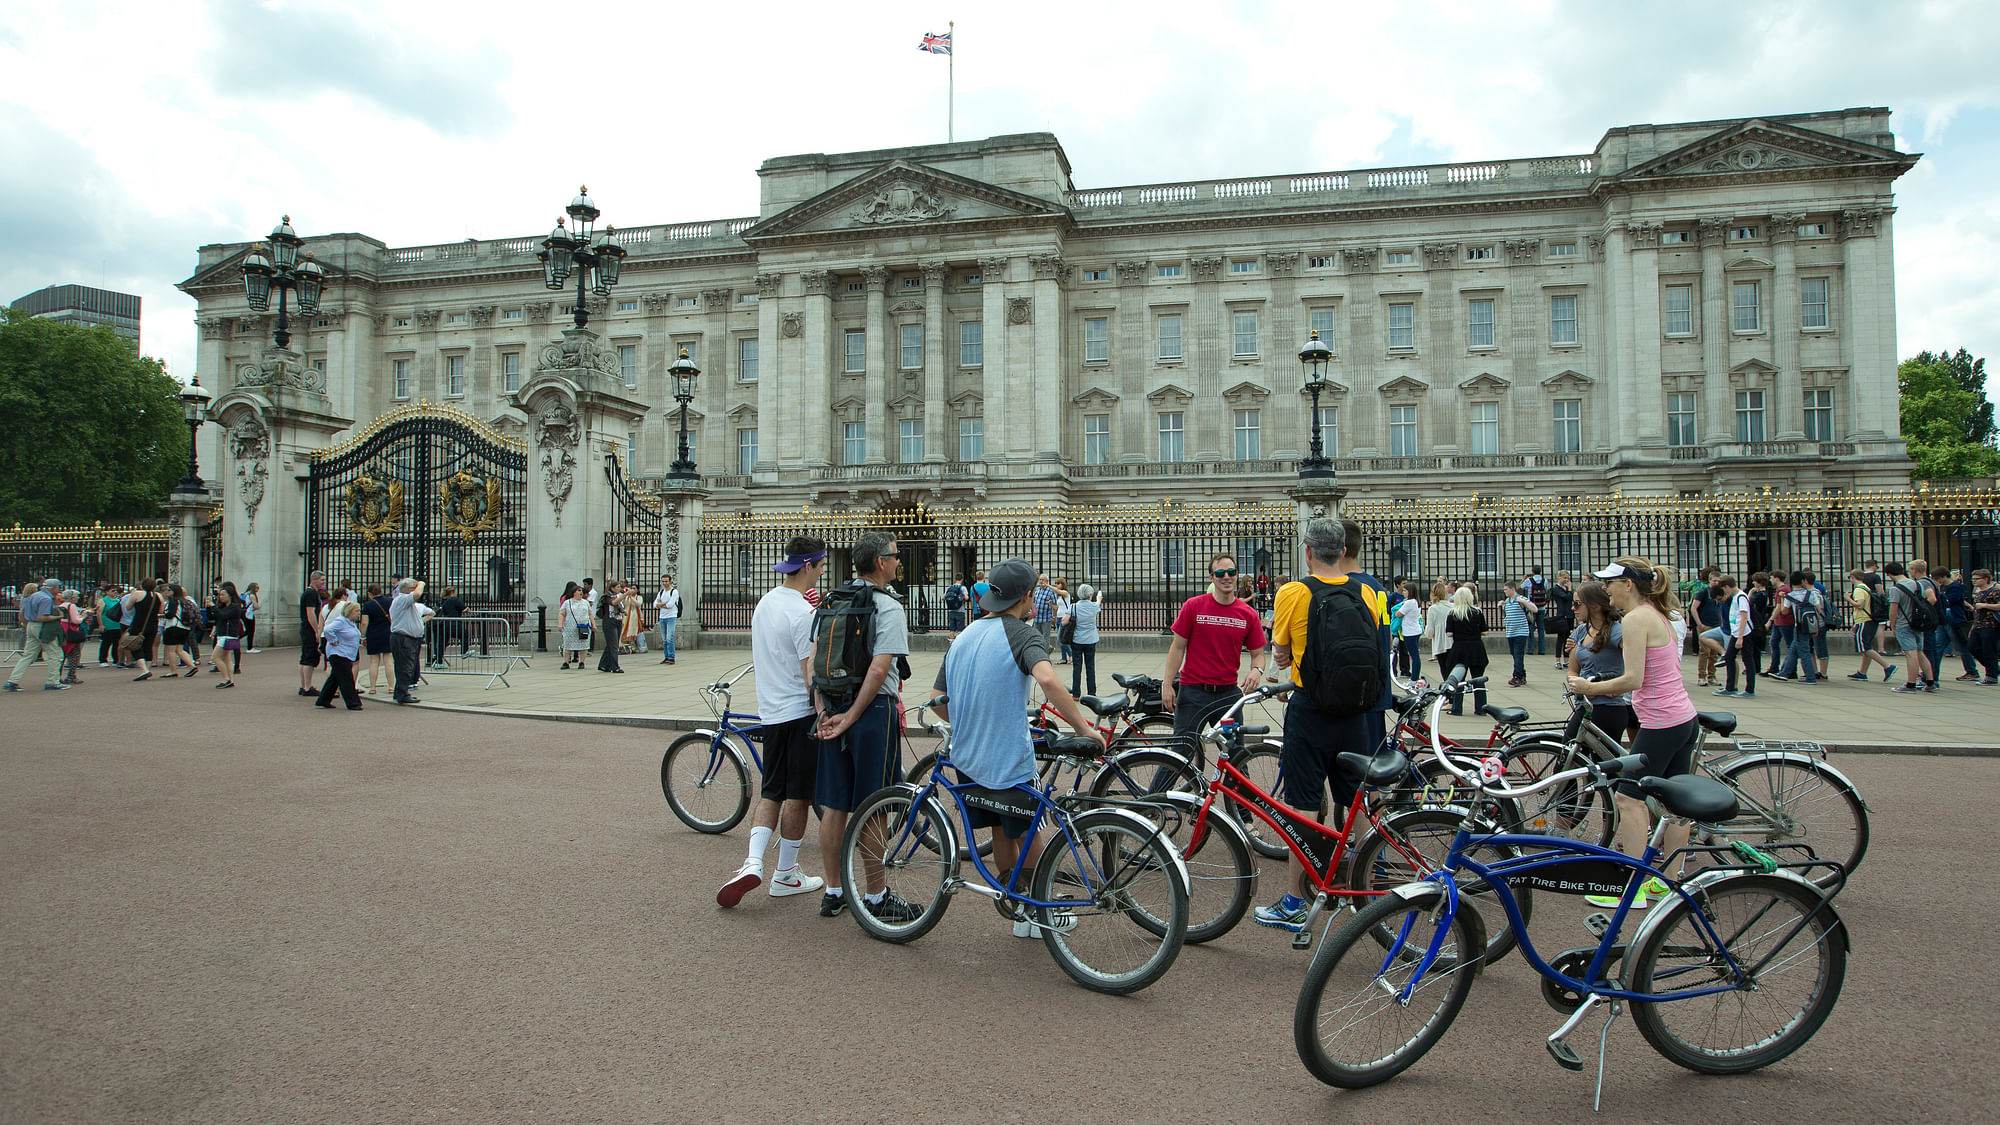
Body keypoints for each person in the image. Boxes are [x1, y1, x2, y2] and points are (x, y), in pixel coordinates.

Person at [927, 557, 1104, 936]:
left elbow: (938, 699)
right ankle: (1039, 911)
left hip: (969, 758)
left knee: (999, 830)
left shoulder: (963, 638)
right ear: (1027, 596)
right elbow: (1049, 681)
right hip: (1008, 756)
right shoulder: (1022, 633)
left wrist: (969, 719)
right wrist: (1083, 728)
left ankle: (1019, 908)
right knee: (1027, 832)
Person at [1255, 516, 1390, 932]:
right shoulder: (1367, 591)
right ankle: (1368, 888)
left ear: (1309, 551)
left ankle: (1296, 901)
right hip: (1356, 711)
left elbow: (1279, 649)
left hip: (1312, 708)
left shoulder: (1292, 592)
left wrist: (1286, 655)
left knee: (1304, 805)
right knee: (1356, 803)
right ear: (1343, 551)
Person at [1567, 558, 1696, 909]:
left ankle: (1633, 886)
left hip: (1661, 721)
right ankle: (1668, 883)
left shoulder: (1637, 618)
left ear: (1629, 584)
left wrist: (1588, 688)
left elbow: (1633, 679)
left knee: (1628, 798)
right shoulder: (1660, 613)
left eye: (1611, 583)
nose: (1606, 589)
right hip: (1682, 717)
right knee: (1673, 804)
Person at [718, 536, 832, 907]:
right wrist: (824, 711)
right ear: (808, 566)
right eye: (819, 566)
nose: (820, 571)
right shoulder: (802, 613)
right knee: (798, 794)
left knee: (772, 790)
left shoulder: (765, 603)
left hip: (770, 711)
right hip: (799, 712)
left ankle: (752, 862)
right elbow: (808, 672)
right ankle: (785, 873)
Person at [812, 531, 912, 920]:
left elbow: (813, 664)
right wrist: (852, 717)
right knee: (875, 805)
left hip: (830, 708)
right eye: (895, 555)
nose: (898, 561)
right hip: (871, 714)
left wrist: (824, 714)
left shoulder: (830, 600)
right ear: (881, 563)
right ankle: (874, 895)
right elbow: (880, 667)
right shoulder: (888, 606)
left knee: (834, 804)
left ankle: (834, 890)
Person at [1161, 552, 1269, 739]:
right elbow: (1177, 648)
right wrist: (1167, 684)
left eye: (1231, 572)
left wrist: (1256, 671)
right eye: (1220, 574)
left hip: (1228, 694)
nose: (1226, 577)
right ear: (1212, 578)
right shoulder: (1193, 606)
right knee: (1181, 752)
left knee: (1235, 755)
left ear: (1236, 575)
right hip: (1193, 691)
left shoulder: (1248, 614)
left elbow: (1258, 654)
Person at [1567, 580, 1634, 745]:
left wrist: (1614, 690)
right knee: (1567, 754)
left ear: (1595, 606)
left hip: (1609, 708)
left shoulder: (1618, 632)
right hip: (1585, 706)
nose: (1573, 609)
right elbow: (1572, 670)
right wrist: (1577, 683)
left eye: (1577, 604)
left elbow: (1640, 666)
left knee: (1603, 767)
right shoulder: (1581, 631)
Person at [5, 579, 66, 692]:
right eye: (58, 587)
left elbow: (22, 612)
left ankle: (12, 680)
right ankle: (53, 682)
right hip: (42, 627)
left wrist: (27, 625)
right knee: (55, 655)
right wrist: (58, 617)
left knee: (28, 655)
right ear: (53, 588)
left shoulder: (33, 596)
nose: (59, 590)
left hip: (31, 626)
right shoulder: (46, 599)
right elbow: (42, 617)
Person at [1886, 560, 1935, 694]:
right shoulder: (1918, 584)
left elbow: (1893, 609)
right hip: (1918, 622)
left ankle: (1910, 684)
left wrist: (1892, 625)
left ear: (1890, 574)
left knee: (1910, 653)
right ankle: (1930, 681)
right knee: (1920, 652)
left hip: (1904, 624)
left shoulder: (1896, 589)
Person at [1773, 569, 1825, 685]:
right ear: (1803, 581)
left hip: (1799, 625)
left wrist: (1782, 598)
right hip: (1810, 624)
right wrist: (1816, 627)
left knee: (1804, 652)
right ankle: (1784, 673)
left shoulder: (1789, 596)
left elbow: (1784, 611)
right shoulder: (1810, 594)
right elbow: (1818, 610)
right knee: (1793, 649)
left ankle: (1810, 677)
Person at [1443, 586, 1489, 716]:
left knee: (1458, 681)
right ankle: (1481, 708)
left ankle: (1457, 708)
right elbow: (1485, 631)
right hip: (1476, 648)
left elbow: (1449, 633)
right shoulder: (1478, 612)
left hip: (1460, 649)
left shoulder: (1453, 613)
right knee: (1478, 680)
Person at [1845, 567, 1896, 682]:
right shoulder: (1866, 588)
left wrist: (1848, 598)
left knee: (1865, 647)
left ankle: (1887, 666)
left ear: (1853, 578)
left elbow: (1860, 605)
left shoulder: (1858, 590)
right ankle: (1862, 672)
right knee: (1866, 646)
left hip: (1864, 620)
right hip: (1870, 620)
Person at [1710, 575, 1756, 697]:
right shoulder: (1736, 597)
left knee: (1747, 660)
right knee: (1729, 657)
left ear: (1727, 587)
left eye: (1724, 589)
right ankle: (1730, 687)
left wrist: (1740, 637)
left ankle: (1749, 689)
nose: (1724, 592)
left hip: (1743, 633)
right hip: (1737, 633)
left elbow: (1744, 617)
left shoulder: (1741, 597)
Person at [315, 601, 365, 710]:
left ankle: (323, 699)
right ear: (349, 611)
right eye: (356, 611)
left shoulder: (350, 623)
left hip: (346, 653)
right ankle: (353, 702)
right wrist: (333, 640)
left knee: (335, 678)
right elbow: (328, 630)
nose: (358, 613)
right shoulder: (341, 621)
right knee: (346, 678)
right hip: (338, 653)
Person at [389, 577, 428, 704]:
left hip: (407, 638)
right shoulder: (402, 599)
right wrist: (421, 584)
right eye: (413, 588)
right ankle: (402, 693)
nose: (416, 590)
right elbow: (417, 594)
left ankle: (399, 691)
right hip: (403, 639)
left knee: (404, 666)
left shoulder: (405, 602)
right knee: (405, 667)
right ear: (407, 590)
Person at [1067, 582, 1102, 698]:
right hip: (1091, 639)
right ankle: (1091, 693)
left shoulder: (1073, 607)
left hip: (1077, 639)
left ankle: (1076, 694)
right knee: (1090, 667)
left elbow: (1064, 621)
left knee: (1077, 667)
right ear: (1090, 595)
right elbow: (1097, 605)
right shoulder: (1094, 606)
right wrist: (1099, 599)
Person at [123, 577, 161, 681]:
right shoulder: (158, 596)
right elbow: (160, 610)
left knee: (134, 646)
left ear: (142, 585)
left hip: (139, 623)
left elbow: (128, 607)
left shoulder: (137, 594)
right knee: (148, 646)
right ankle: (147, 669)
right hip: (153, 623)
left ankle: (144, 670)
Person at [210, 582, 246, 688]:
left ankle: (225, 678)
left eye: (223, 595)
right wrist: (210, 608)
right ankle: (230, 679)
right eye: (220, 595)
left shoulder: (235, 607)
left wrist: (215, 608)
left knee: (215, 657)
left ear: (230, 595)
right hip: (222, 634)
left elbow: (224, 616)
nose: (221, 597)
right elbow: (214, 618)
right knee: (226, 658)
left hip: (228, 635)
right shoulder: (222, 607)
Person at [1501, 580, 1537, 687]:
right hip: (1510, 632)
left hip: (1521, 632)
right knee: (1515, 655)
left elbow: (1534, 609)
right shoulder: (1507, 601)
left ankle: (1516, 676)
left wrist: (1524, 602)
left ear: (1512, 589)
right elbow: (1507, 616)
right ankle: (1522, 675)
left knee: (1518, 654)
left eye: (1506, 589)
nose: (1505, 591)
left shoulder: (1520, 599)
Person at [1967, 569, 2000, 685]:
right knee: (1972, 647)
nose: (1973, 581)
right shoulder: (1977, 591)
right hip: (1978, 625)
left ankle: (1991, 676)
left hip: (1990, 625)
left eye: (1977, 579)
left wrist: (1985, 605)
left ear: (1986, 579)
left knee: (1988, 650)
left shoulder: (1995, 591)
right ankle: (1994, 668)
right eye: (1973, 579)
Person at [159, 584, 198, 678]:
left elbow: (170, 614)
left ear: (173, 592)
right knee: (179, 650)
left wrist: (162, 615)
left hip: (173, 627)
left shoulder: (173, 601)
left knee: (171, 651)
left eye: (169, 590)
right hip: (184, 627)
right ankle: (192, 666)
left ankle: (173, 671)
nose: (167, 592)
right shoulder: (184, 601)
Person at [359, 585, 392, 694]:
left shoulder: (368, 605)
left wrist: (362, 636)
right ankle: (391, 686)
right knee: (388, 660)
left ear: (369, 594)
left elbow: (364, 622)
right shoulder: (390, 601)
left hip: (373, 633)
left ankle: (373, 687)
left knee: (374, 661)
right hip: (388, 632)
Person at [299, 571, 327, 697]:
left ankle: (304, 685)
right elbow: (310, 613)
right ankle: (307, 686)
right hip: (309, 629)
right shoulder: (310, 593)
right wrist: (317, 630)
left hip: (306, 628)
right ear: (313, 579)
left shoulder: (311, 592)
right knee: (310, 657)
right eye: (321, 580)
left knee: (305, 657)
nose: (323, 582)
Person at [1946, 568, 1977, 681]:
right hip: (1948, 620)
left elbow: (1953, 602)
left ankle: (1972, 671)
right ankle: (1928, 673)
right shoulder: (1950, 588)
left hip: (1955, 621)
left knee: (1962, 648)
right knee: (1938, 646)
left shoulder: (1954, 588)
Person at [1392, 579, 1425, 680]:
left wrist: (1399, 607)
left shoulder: (1409, 602)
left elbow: (1398, 614)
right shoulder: (1415, 601)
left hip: (1410, 632)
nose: (1403, 592)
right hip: (1415, 630)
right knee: (1414, 654)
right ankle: (1414, 676)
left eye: (1405, 591)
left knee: (1414, 655)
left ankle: (1414, 678)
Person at [1424, 580, 1454, 684]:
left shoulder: (1433, 609)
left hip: (1440, 641)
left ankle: (1449, 694)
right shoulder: (1452, 607)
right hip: (1452, 641)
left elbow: (1430, 630)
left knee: (1444, 669)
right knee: (1452, 669)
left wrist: (1427, 633)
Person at [430, 586, 468, 667]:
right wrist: (467, 610)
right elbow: (464, 609)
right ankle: (464, 651)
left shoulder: (440, 601)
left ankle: (438, 662)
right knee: (464, 634)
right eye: (455, 592)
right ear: (452, 593)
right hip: (452, 623)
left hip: (440, 624)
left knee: (441, 643)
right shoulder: (454, 599)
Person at [1546, 570, 1576, 670]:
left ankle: (1566, 660)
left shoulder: (1566, 588)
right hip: (1562, 615)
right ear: (1559, 578)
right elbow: (1566, 597)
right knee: (1561, 638)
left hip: (1569, 615)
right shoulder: (1556, 589)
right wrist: (1570, 590)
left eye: (1567, 578)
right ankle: (1557, 660)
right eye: (1564, 578)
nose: (1566, 580)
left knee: (1568, 638)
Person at [559, 582, 591, 669]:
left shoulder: (585, 602)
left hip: (583, 626)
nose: (581, 592)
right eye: (578, 590)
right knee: (567, 644)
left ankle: (582, 662)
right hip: (570, 626)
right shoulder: (567, 602)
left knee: (583, 645)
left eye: (581, 591)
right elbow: (562, 613)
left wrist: (593, 625)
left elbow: (590, 614)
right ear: (573, 592)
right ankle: (566, 662)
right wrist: (560, 624)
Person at [596, 581, 625, 673]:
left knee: (611, 644)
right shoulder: (607, 597)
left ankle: (603, 664)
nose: (619, 589)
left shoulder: (618, 596)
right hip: (609, 621)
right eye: (617, 587)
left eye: (620, 587)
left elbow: (619, 607)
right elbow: (613, 603)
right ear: (612, 588)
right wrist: (626, 594)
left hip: (618, 621)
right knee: (613, 645)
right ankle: (614, 666)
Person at [653, 574, 681, 664]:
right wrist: (661, 604)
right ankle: (666, 656)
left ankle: (671, 657)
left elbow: (670, 605)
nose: (664, 583)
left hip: (671, 616)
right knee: (664, 639)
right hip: (662, 617)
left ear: (670, 581)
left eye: (666, 581)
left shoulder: (674, 592)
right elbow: (654, 605)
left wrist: (660, 604)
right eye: (663, 581)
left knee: (669, 638)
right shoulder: (661, 592)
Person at [1522, 566, 1550, 655]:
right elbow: (1546, 590)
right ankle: (1542, 650)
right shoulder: (1545, 581)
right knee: (1541, 629)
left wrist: (1524, 579)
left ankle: (1530, 649)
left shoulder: (1529, 581)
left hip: (1531, 607)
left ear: (1532, 571)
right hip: (1542, 606)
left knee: (1530, 628)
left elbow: (1520, 587)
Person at [1031, 573, 1058, 646]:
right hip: (1037, 618)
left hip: (1046, 618)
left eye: (1042, 580)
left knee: (1045, 638)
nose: (1041, 581)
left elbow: (1055, 606)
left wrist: (1054, 617)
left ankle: (1045, 654)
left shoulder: (1051, 591)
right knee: (1037, 637)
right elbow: (1034, 603)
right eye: (1040, 579)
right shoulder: (1037, 590)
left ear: (1047, 581)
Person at [1052, 578, 1072, 665]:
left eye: (1058, 583)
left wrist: (1047, 585)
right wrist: (1051, 605)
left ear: (1063, 584)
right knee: (1061, 639)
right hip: (1059, 618)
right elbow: (1057, 608)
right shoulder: (1059, 596)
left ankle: (1071, 655)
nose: (1056, 584)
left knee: (1060, 639)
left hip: (1064, 618)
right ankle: (1064, 658)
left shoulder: (1065, 593)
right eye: (1055, 583)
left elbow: (1057, 590)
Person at [243, 581, 261, 653]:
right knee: (251, 631)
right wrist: (255, 608)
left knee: (248, 630)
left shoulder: (245, 594)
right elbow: (256, 606)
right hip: (249, 615)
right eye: (257, 587)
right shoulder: (252, 595)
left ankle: (237, 637)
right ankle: (250, 648)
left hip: (244, 613)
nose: (258, 589)